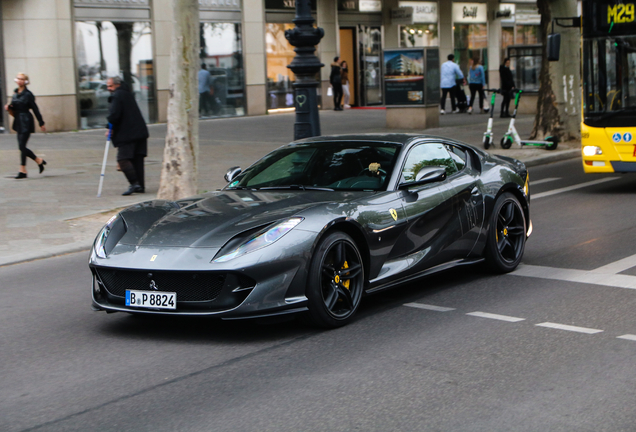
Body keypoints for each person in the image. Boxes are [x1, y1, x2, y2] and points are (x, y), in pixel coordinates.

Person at [106, 76, 149, 196]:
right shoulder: (127, 93)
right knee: (137, 159)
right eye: (108, 86)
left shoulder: (117, 95)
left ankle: (134, 183)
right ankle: (140, 185)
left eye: (110, 86)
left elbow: (114, 114)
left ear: (117, 85)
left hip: (128, 133)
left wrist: (110, 127)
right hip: (139, 131)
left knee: (123, 159)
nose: (109, 89)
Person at [4, 72, 46, 179]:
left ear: (26, 81)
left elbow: (35, 109)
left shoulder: (28, 95)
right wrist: (9, 107)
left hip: (26, 120)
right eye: (18, 78)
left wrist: (41, 122)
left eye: (22, 79)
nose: (20, 80)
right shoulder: (15, 93)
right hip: (18, 120)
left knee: (22, 146)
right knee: (21, 147)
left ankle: (23, 170)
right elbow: (15, 105)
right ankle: (37, 161)